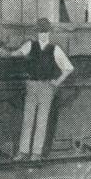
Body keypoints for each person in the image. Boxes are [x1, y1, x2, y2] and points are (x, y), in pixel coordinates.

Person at [15, 18, 74, 161]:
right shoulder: (30, 45)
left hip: (47, 88)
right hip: (32, 85)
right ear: (37, 32)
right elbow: (16, 55)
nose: (43, 34)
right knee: (27, 120)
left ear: (49, 32)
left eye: (45, 31)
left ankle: (36, 153)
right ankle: (23, 152)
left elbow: (68, 68)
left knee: (42, 121)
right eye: (40, 31)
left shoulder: (55, 49)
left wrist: (57, 82)